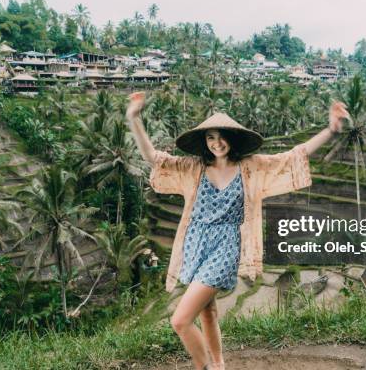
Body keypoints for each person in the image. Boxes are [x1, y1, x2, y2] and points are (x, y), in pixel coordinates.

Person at [126, 91, 349, 370]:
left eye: (221, 136)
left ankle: (204, 368)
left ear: (232, 139)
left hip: (225, 246)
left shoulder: (250, 167)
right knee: (207, 311)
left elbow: (293, 156)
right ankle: (218, 365)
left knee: (180, 320)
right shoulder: (193, 167)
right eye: (210, 137)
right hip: (195, 244)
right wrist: (133, 117)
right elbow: (153, 157)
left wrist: (330, 129)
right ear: (204, 142)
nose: (216, 143)